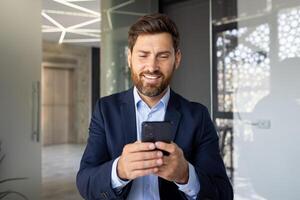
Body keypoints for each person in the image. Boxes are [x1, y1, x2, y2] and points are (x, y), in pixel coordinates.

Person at [76, 13, 233, 200]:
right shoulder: (105, 110)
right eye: (143, 55)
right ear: (129, 58)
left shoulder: (197, 116)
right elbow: (85, 182)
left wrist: (186, 175)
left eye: (163, 56)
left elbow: (223, 193)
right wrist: (120, 170)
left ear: (177, 59)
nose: (152, 66)